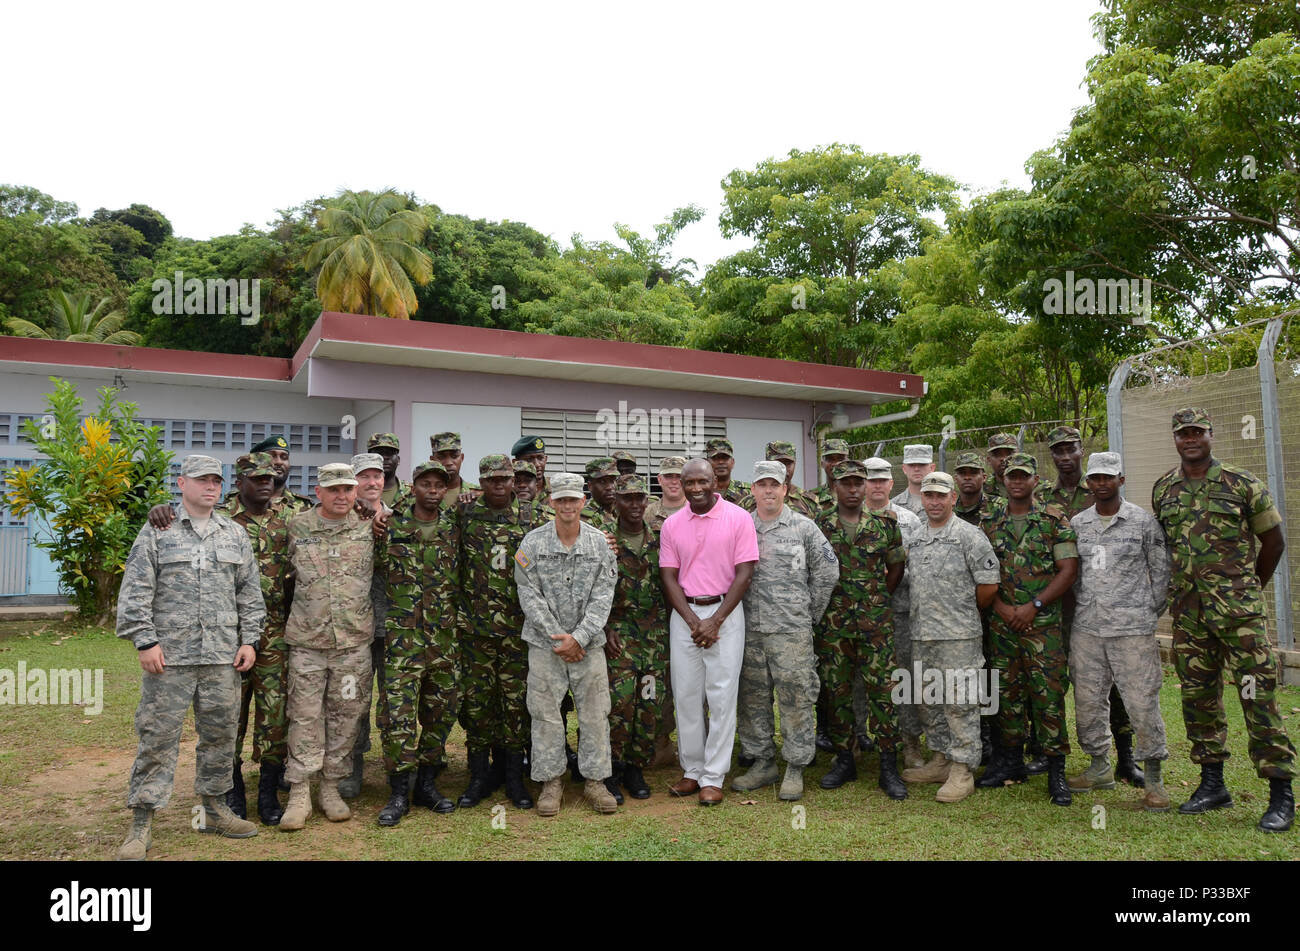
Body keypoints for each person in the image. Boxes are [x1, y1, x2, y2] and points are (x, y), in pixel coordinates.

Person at [1153, 407, 1296, 831]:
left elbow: (1273, 542)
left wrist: (1248, 589)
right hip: (1190, 617)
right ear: (1176, 439)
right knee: (1198, 700)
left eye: (1197, 432)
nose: (1190, 439)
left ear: (1211, 435)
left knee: (1258, 698)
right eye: (1183, 433)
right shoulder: (1165, 489)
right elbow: (1166, 548)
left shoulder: (1242, 483)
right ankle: (1212, 783)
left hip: (1241, 620)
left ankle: (1280, 794)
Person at [116, 454, 264, 860]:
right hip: (171, 658)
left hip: (221, 657)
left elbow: (249, 593)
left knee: (220, 736)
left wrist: (249, 640)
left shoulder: (234, 534)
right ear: (181, 484)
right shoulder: (158, 530)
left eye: (216, 480)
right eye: (201, 480)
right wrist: (145, 642)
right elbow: (136, 590)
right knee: (158, 737)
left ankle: (215, 809)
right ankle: (142, 820)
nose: (210, 487)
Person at [1068, 452, 1172, 812]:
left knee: (1142, 703)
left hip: (1132, 631)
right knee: (1087, 703)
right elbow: (1072, 574)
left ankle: (1154, 778)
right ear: (1089, 483)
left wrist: (1145, 611)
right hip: (1087, 630)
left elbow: (1162, 575)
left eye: (1108, 477)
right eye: (1095, 478)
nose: (1101, 483)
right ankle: (1099, 767)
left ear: (1121, 480)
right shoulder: (1078, 524)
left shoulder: (1143, 522)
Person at [976, 452, 1079, 806]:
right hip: (1002, 624)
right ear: (1003, 481)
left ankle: (1056, 771)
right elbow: (978, 572)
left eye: (1023, 476)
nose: (1017, 482)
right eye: (1011, 476)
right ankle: (1010, 763)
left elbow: (1067, 570)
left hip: (1043, 626)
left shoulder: (1054, 520)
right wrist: (1003, 609)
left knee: (1048, 697)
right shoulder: (988, 522)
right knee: (1005, 696)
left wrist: (1033, 607)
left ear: (1036, 481)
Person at [1042, 425, 1142, 786]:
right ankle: (1055, 752)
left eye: (1070, 449)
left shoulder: (1100, 486)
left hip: (1106, 606)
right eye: (1058, 451)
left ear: (1081, 450)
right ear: (1052, 455)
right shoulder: (1042, 495)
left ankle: (1126, 758)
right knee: (1068, 682)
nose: (1065, 456)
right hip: (1061, 607)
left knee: (1114, 684)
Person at [446, 453, 548, 809]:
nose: (499, 485)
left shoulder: (531, 515)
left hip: (518, 631)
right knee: (478, 705)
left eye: (504, 479)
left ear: (513, 479)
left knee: (515, 704)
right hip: (475, 631)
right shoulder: (465, 512)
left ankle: (513, 777)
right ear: (481, 481)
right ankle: (478, 775)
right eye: (490, 480)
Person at [515, 472, 620, 816]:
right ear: (550, 502)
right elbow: (528, 594)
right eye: (561, 499)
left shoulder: (600, 543)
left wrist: (580, 637)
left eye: (573, 499)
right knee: (544, 715)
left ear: (583, 502)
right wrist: (558, 637)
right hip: (545, 646)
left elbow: (604, 596)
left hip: (588, 645)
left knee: (594, 713)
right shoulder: (532, 543)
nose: (567, 506)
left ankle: (595, 781)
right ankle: (551, 781)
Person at [733, 462, 838, 801]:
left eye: (774, 485)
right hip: (749, 630)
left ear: (785, 489)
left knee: (796, 697)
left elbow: (827, 571)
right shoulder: (741, 526)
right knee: (752, 698)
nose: (768, 491)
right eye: (762, 484)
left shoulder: (804, 528)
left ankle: (795, 764)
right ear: (752, 489)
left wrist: (808, 615)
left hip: (791, 632)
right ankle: (763, 761)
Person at [279, 463, 376, 831]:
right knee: (304, 715)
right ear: (318, 492)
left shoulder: (370, 527)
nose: (342, 496)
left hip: (352, 644)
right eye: (333, 490)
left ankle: (331, 786)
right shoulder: (297, 526)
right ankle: (300, 791)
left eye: (348, 489)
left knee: (347, 713)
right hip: (307, 643)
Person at [658, 458, 759, 805]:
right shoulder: (672, 524)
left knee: (721, 696)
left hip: (725, 614)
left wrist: (715, 620)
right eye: (689, 483)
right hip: (685, 614)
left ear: (715, 480)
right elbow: (669, 576)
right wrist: (692, 620)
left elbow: (745, 572)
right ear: (680, 485)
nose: (696, 489)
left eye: (703, 481)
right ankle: (692, 771)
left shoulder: (738, 517)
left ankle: (713, 776)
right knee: (686, 696)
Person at [899, 472, 1000, 803]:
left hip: (959, 638)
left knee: (960, 702)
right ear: (922, 499)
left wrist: (962, 615)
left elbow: (988, 586)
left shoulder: (969, 536)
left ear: (953, 498)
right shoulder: (914, 537)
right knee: (928, 701)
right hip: (922, 634)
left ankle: (962, 769)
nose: (934, 501)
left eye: (941, 495)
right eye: (928, 495)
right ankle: (940, 758)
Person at [814, 460, 907, 798]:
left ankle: (888, 765)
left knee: (884, 693)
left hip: (875, 626)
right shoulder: (819, 525)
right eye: (846, 483)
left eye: (858, 483)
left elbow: (896, 567)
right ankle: (844, 758)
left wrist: (876, 597)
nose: (853, 489)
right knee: (837, 693)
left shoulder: (885, 525)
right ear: (835, 487)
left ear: (867, 486)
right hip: (834, 626)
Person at [374, 461, 458, 825]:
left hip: (444, 639)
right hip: (402, 641)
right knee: (398, 716)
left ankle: (426, 783)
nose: (434, 490)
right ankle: (398, 791)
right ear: (414, 487)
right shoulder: (390, 525)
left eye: (440, 484)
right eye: (426, 483)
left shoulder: (456, 527)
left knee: (440, 713)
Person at [219, 453, 292, 825]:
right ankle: (232, 789)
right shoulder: (219, 521)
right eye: (256, 477)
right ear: (239, 482)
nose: (266, 482)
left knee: (274, 715)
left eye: (270, 477)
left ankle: (267, 792)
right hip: (228, 634)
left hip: (275, 633)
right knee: (230, 712)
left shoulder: (288, 522)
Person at [603, 474, 668, 801]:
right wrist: (603, 629)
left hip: (654, 639)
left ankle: (636, 768)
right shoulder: (604, 541)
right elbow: (591, 590)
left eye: (639, 498)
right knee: (619, 704)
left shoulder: (661, 538)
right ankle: (612, 770)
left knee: (647, 705)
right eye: (627, 499)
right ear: (616, 502)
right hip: (620, 639)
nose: (634, 504)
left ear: (647, 502)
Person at [863, 457, 926, 767]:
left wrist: (886, 584)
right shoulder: (850, 517)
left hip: (898, 612)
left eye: (881, 479)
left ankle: (910, 742)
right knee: (860, 680)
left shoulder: (909, 520)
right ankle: (856, 740)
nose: (876, 484)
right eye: (870, 479)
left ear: (891, 483)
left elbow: (916, 567)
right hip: (859, 614)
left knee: (904, 679)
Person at [340, 452, 391, 800]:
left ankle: (396, 768)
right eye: (365, 477)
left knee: (393, 702)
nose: (372, 483)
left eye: (378, 476)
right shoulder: (338, 518)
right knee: (351, 701)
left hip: (391, 626)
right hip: (351, 627)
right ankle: (350, 769)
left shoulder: (398, 517)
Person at [739, 441, 818, 517]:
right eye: (777, 463)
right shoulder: (748, 503)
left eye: (788, 464)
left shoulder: (808, 502)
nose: (783, 469)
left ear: (795, 464)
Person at [250, 434, 315, 513]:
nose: (279, 462)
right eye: (272, 456)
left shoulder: (305, 506)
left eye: (284, 457)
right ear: (258, 462)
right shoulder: (236, 502)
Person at [430, 432, 480, 509]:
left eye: (454, 456)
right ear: (432, 460)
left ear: (462, 458)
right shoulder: (421, 495)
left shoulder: (478, 494)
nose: (449, 463)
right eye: (441, 457)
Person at [645, 455, 688, 530]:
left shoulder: (696, 511)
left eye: (679, 476)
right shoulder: (647, 513)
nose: (674, 481)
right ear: (659, 479)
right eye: (668, 476)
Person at [890, 444, 934, 518]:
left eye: (922, 464)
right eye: (911, 465)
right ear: (904, 468)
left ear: (932, 468)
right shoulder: (893, 505)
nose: (916, 469)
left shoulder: (941, 503)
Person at [368, 432, 409, 509]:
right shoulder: (355, 492)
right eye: (379, 454)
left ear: (398, 460)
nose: (384, 457)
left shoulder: (411, 492)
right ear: (369, 459)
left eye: (390, 453)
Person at [704, 437, 751, 505]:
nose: (720, 462)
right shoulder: (701, 491)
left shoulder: (748, 492)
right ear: (707, 462)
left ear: (732, 462)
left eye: (725, 458)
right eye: (715, 458)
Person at [812, 438, 851, 512]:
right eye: (830, 459)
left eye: (840, 459)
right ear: (822, 464)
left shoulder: (858, 494)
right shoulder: (812, 497)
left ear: (848, 462)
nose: (835, 464)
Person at [582, 457, 619, 530]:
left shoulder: (621, 512)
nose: (609, 487)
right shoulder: (585, 518)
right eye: (602, 482)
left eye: (612, 481)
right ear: (590, 486)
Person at [512, 435, 551, 504]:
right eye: (529, 459)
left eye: (540, 458)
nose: (537, 464)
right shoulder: (508, 490)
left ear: (545, 459)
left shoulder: (557, 487)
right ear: (515, 462)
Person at [983, 433, 1017, 502]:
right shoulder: (982, 491)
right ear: (989, 460)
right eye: (997, 455)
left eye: (1009, 454)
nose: (1004, 458)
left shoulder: (1035, 486)